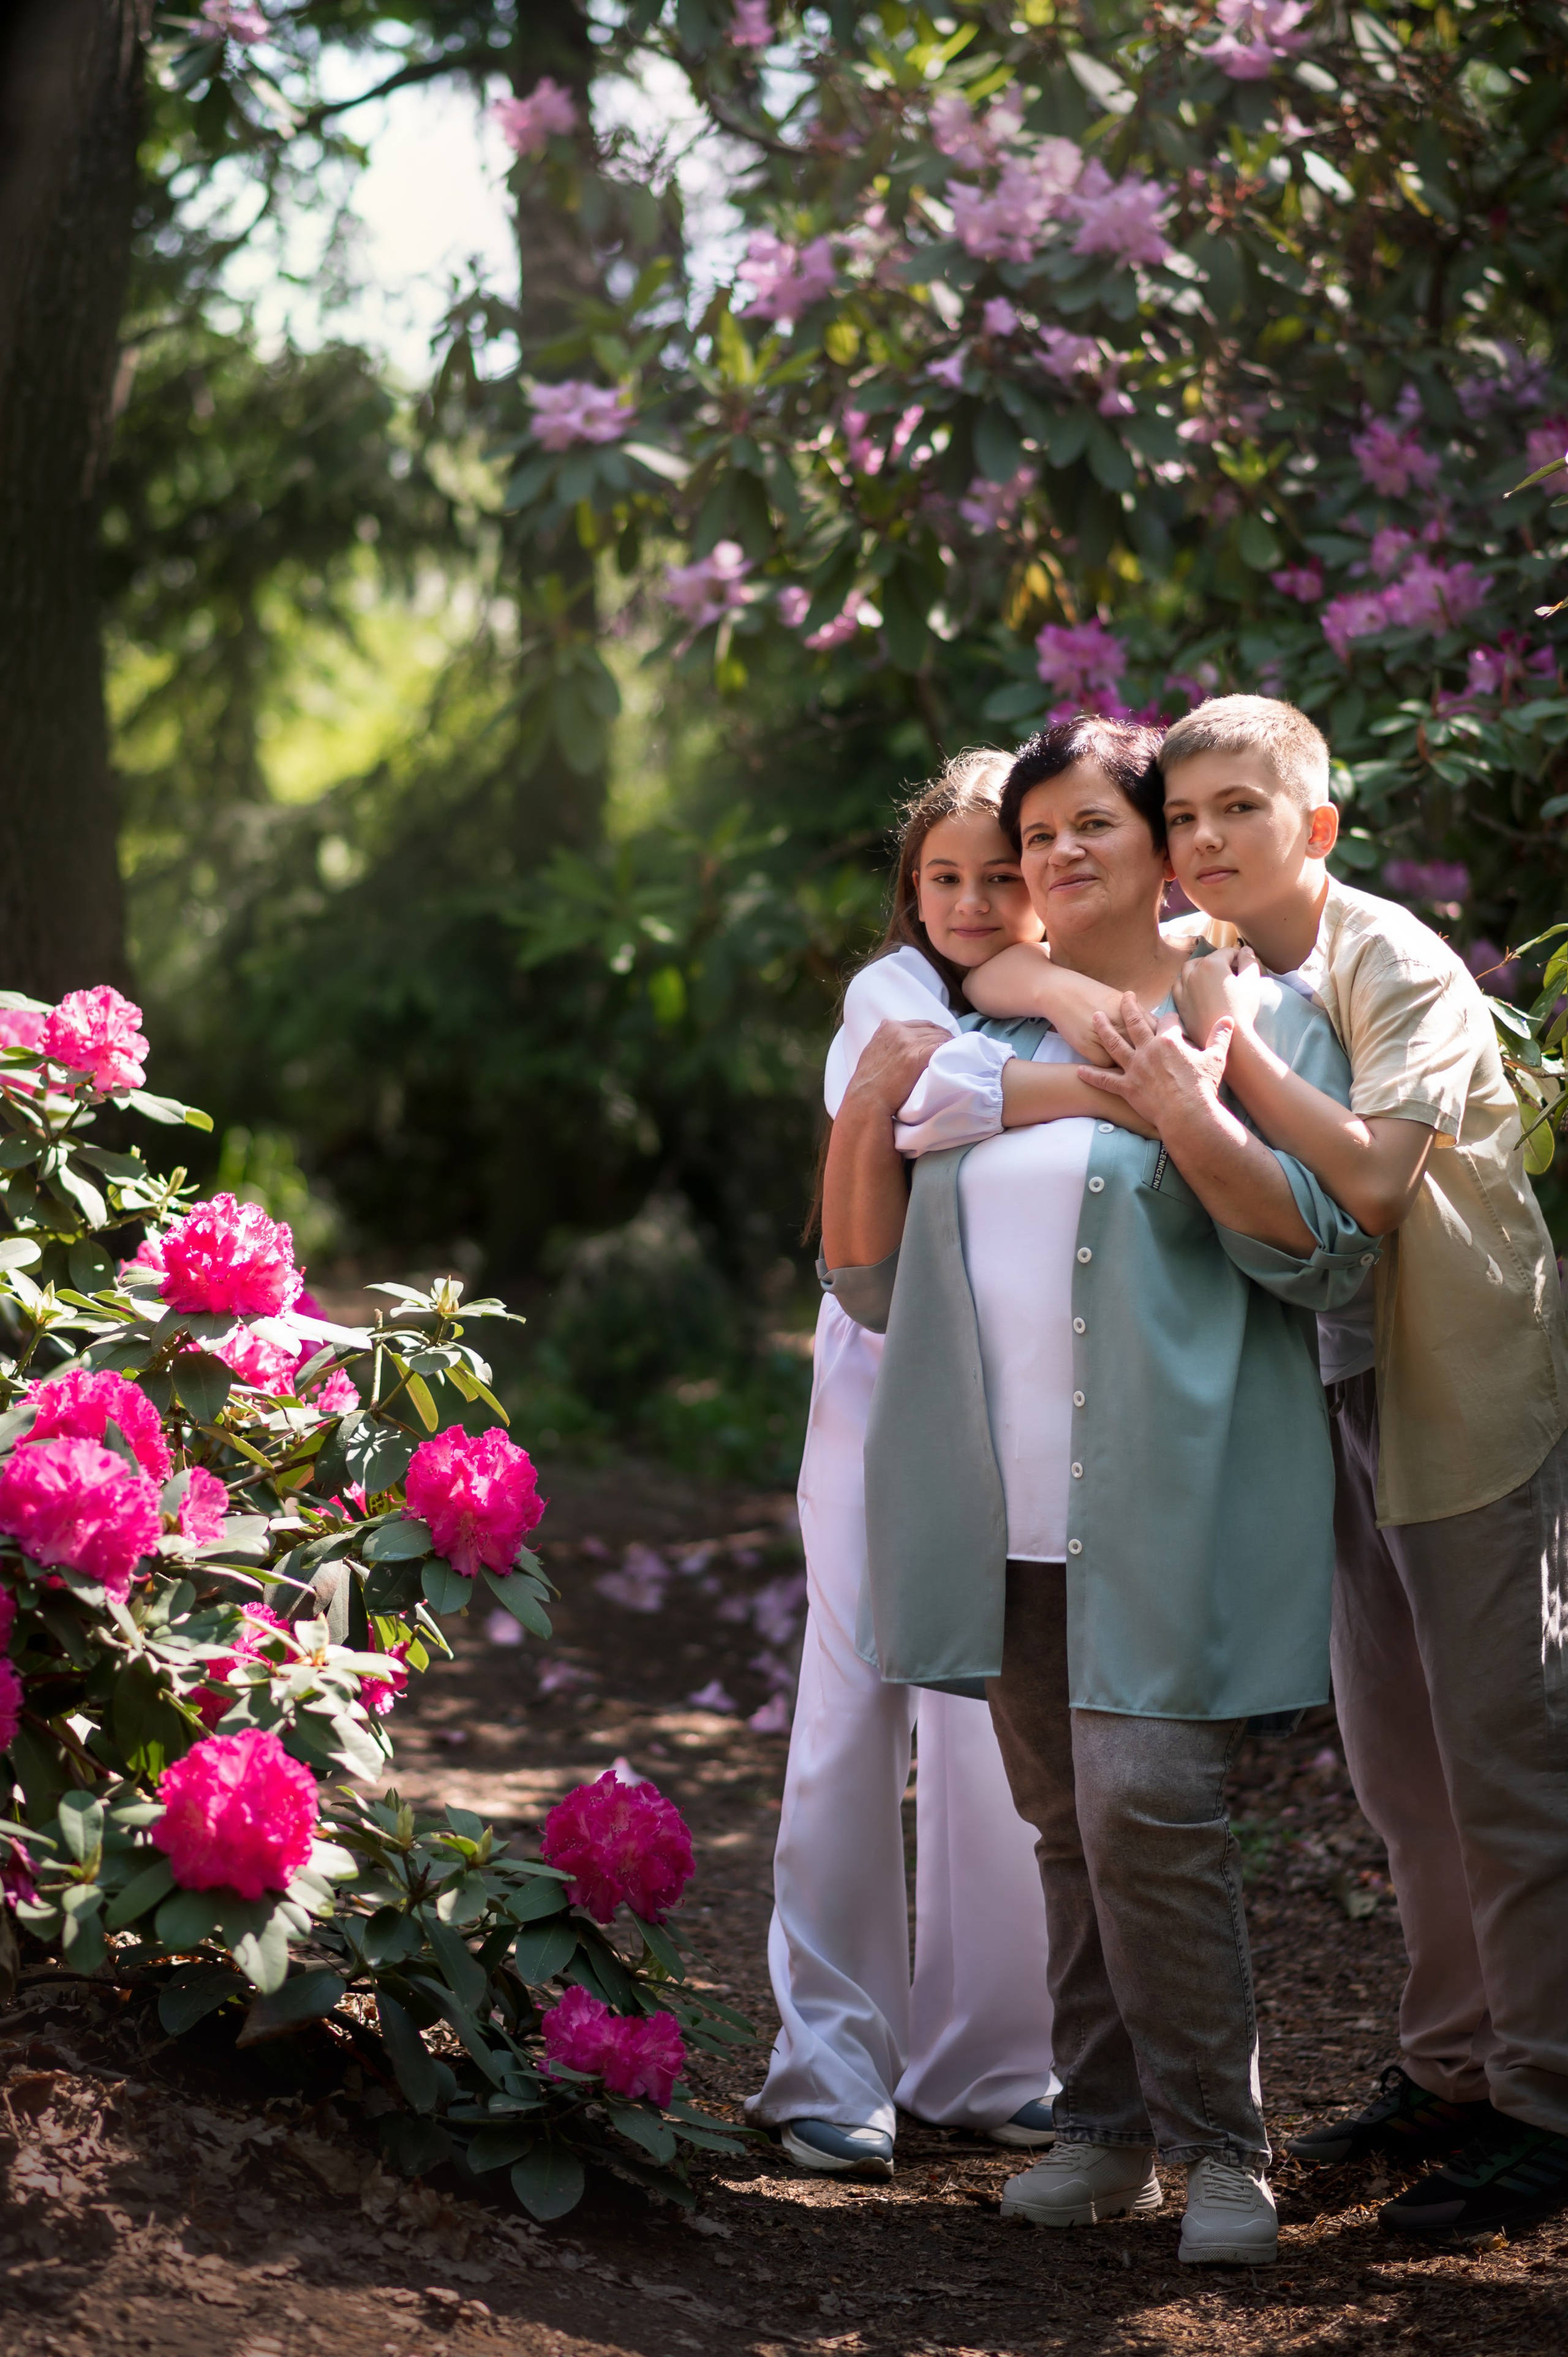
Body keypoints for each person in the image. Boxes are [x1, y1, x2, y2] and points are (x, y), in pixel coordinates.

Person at [823, 715, 1378, 2265]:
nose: (1057, 855)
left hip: (1170, 1496)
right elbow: (873, 1279)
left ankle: (1222, 2151)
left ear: (1160, 850)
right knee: (1065, 1817)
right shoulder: (985, 1042)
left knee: (1148, 1803)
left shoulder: (1257, 1023)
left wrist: (1185, 1101)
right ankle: (1102, 2129)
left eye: (1092, 827)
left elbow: (1322, 1252)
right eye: (1036, 836)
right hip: (998, 1507)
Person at [1137, 693, 1568, 2241]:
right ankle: (1451, 2066)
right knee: (1399, 1771)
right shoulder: (1211, 955)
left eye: (1237, 808)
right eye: (1181, 815)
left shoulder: (1387, 955)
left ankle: (1546, 2101)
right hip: (1327, 1399)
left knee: (1502, 1757)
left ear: (1314, 824)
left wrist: (1223, 1049)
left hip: (1459, 1392)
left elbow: (1379, 1181)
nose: (1202, 839)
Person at [748, 750, 1068, 2182]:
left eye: (1000, 875)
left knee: (989, 1722)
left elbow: (963, 1101)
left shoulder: (1062, 992)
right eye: (944, 876)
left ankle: (986, 2059)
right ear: (910, 886)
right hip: (878, 1399)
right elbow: (928, 1097)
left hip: (1009, 1406)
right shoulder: (885, 992)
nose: (969, 901)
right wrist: (1086, 1081)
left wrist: (1041, 1051)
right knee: (852, 1704)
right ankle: (827, 2062)